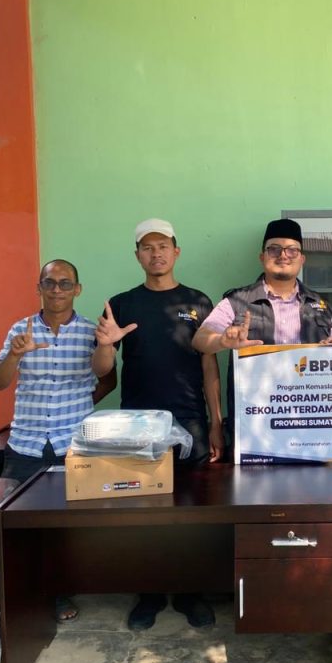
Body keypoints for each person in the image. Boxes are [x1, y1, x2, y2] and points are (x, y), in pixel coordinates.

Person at [91, 218, 224, 630]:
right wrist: (106, 345)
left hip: (190, 421)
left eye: (163, 246)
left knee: (191, 513)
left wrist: (216, 422)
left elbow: (209, 365)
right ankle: (149, 593)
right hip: (137, 425)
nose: (156, 253)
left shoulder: (198, 302)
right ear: (137, 256)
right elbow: (102, 370)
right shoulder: (121, 305)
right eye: (147, 247)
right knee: (143, 514)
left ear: (176, 251)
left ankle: (189, 592)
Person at [0, 259, 114, 633]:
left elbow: (105, 375)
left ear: (77, 290)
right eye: (49, 283)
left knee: (64, 527)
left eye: (65, 283)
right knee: (11, 525)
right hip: (26, 444)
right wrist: (15, 355)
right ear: (39, 287)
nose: (57, 290)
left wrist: (83, 397)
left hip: (72, 445)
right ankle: (2, 592)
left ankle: (59, 591)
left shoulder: (90, 332)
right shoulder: (20, 330)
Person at [192, 218, 332, 353]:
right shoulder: (237, 301)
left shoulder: (320, 304)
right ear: (262, 257)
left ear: (302, 259)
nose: (283, 255)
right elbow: (200, 339)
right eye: (274, 249)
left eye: (292, 250)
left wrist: (331, 348)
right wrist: (221, 341)